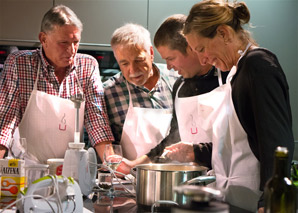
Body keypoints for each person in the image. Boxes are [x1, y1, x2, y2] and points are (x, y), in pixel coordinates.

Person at [164, 1, 294, 212]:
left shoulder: (258, 65)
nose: (203, 58)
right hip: (233, 198)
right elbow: (239, 143)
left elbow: (276, 142)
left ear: (224, 33)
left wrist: (268, 202)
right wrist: (196, 151)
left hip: (255, 200)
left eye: (202, 48)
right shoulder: (236, 72)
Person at [0, 5, 114, 164]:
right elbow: (5, 120)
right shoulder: (19, 63)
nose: (71, 50)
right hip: (26, 167)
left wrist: (112, 163)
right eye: (63, 43)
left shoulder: (88, 66)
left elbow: (97, 121)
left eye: (76, 42)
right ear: (43, 39)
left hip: (71, 168)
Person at [121, 14, 229, 169]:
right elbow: (172, 139)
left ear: (191, 48)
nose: (169, 66)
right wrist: (134, 164)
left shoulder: (227, 78)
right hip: (189, 180)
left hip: (226, 178)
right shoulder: (179, 86)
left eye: (170, 58)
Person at [103, 23, 179, 161]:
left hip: (174, 173)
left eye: (138, 60)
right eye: (124, 63)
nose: (132, 70)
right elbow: (102, 147)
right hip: (130, 178)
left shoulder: (176, 79)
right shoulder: (109, 92)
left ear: (151, 53)